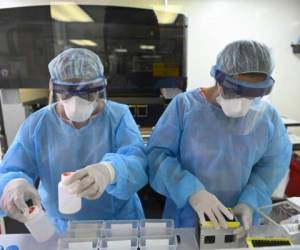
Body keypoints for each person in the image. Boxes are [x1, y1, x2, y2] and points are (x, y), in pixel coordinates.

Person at [147, 40, 292, 234]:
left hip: (240, 223)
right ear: (218, 77)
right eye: (236, 90)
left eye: (253, 94)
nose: (243, 101)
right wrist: (192, 192)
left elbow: (272, 165)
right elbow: (158, 157)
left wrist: (251, 201)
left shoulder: (266, 116)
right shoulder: (185, 107)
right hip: (187, 220)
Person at [0, 48, 148, 232]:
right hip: (63, 228)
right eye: (67, 93)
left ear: (101, 87)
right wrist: (13, 184)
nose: (76, 102)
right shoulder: (38, 125)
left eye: (87, 93)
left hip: (118, 225)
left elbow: (138, 161)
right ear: (53, 88)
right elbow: (12, 169)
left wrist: (109, 171)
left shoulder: (117, 117)